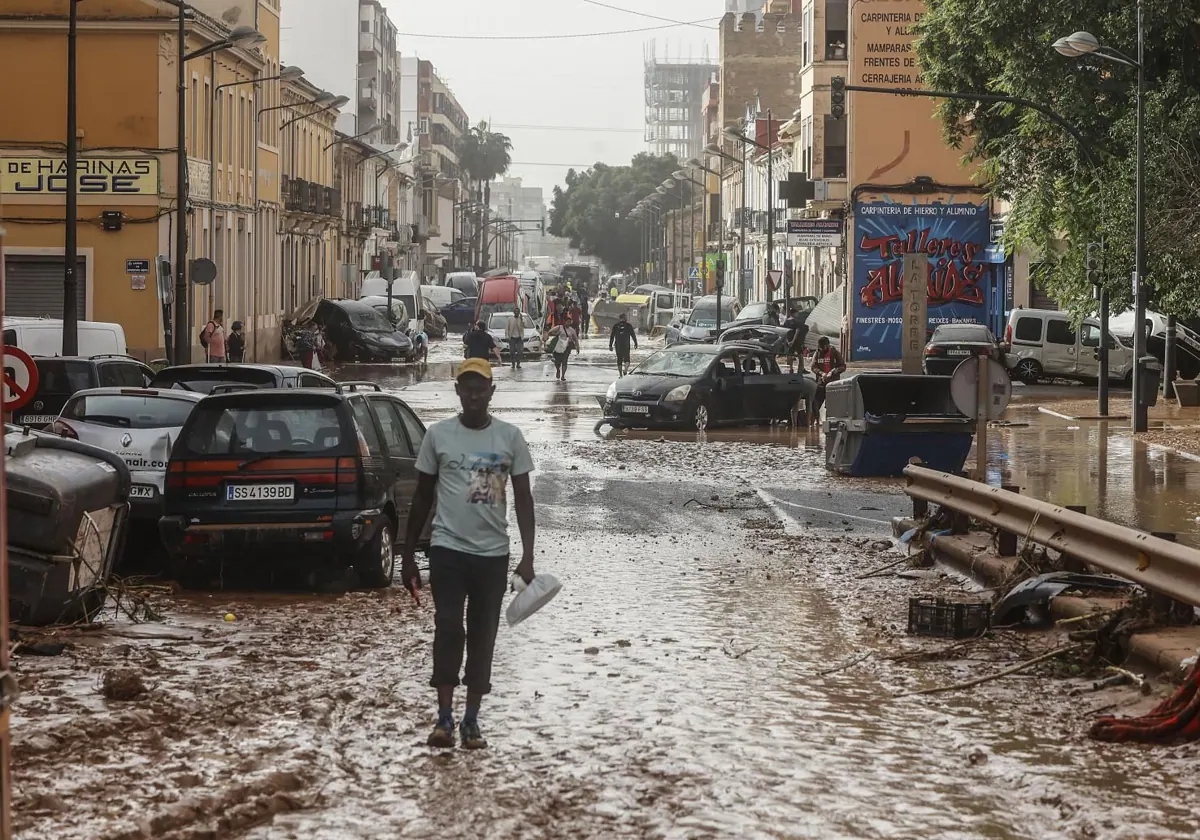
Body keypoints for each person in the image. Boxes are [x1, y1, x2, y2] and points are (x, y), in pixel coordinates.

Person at [401, 358, 536, 750]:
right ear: (457, 392)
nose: (474, 395)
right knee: (448, 627)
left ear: (492, 392)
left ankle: (471, 720)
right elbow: (422, 497)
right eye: (467, 388)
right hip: (447, 550)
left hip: (492, 556)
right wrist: (408, 555)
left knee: (482, 635)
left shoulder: (509, 438)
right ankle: (444, 717)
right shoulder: (438, 436)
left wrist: (527, 556)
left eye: (481, 388)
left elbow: (524, 499)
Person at [810, 335, 846, 426]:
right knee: (815, 404)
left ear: (828, 345)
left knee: (831, 406)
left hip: (833, 384)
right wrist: (822, 373)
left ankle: (829, 424)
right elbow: (813, 367)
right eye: (820, 347)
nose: (821, 349)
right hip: (821, 383)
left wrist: (834, 371)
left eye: (823, 347)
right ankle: (813, 423)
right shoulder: (817, 354)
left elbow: (843, 366)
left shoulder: (835, 353)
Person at [609, 312, 638, 376]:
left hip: (618, 345)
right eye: (626, 317)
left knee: (619, 359)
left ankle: (620, 375)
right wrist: (635, 343)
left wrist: (610, 345)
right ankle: (625, 370)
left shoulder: (616, 326)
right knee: (627, 359)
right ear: (624, 318)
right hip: (626, 345)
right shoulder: (628, 326)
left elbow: (612, 336)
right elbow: (633, 335)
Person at [782, 308, 808, 374]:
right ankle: (801, 369)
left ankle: (791, 369)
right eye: (797, 313)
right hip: (796, 341)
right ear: (793, 313)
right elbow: (797, 331)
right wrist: (793, 341)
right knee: (800, 355)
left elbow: (784, 332)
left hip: (789, 341)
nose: (797, 314)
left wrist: (788, 341)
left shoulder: (786, 322)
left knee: (790, 355)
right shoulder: (797, 321)